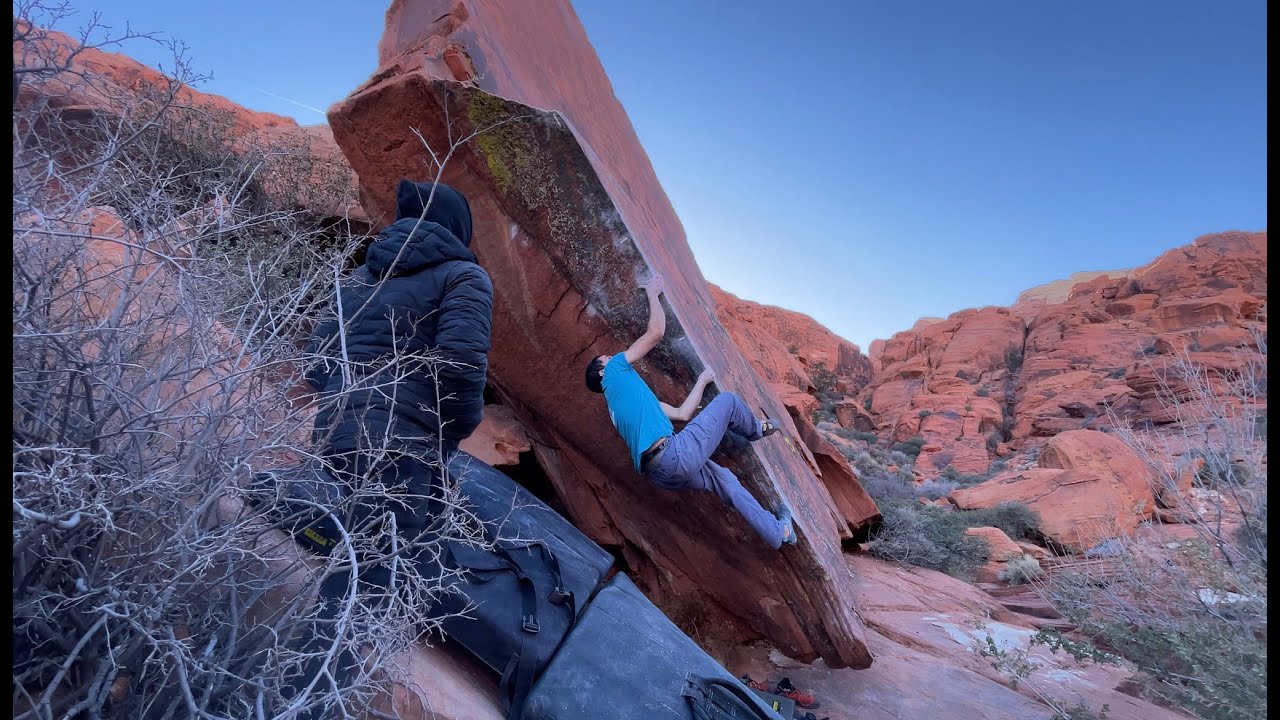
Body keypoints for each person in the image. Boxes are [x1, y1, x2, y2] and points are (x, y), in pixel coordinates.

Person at [285, 178, 493, 716]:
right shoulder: (464, 276)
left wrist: (346, 407)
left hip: (336, 434)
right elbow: (462, 365)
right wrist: (448, 432)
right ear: (458, 229)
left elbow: (315, 361)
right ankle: (307, 704)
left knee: (349, 550)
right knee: (369, 584)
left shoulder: (357, 276)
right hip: (403, 443)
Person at [583, 273, 796, 549]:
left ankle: (779, 532)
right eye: (607, 357)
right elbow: (656, 333)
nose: (613, 357)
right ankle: (757, 429)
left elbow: (682, 413)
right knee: (729, 402)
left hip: (662, 473)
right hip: (673, 455)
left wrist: (701, 382)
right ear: (602, 371)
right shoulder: (612, 372)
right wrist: (653, 293)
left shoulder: (623, 408)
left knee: (725, 480)